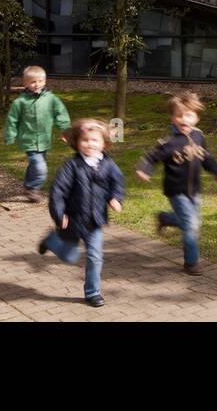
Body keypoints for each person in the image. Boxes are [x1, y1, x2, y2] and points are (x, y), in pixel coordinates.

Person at [135, 93, 217, 275]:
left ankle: (166, 218)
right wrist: (144, 169)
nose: (184, 119)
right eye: (179, 115)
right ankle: (191, 263)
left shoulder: (199, 137)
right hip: (176, 191)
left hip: (195, 191)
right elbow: (151, 157)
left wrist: (215, 169)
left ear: (196, 118)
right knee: (191, 225)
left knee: (194, 222)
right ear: (172, 118)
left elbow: (205, 156)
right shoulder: (169, 143)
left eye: (189, 115)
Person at [38, 119, 124, 307]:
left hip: (95, 221)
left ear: (104, 143)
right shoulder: (71, 166)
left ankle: (92, 292)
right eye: (85, 140)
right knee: (70, 257)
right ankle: (51, 240)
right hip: (72, 221)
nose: (90, 144)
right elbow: (57, 192)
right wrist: (59, 215)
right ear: (77, 142)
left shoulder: (108, 164)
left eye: (95, 140)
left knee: (95, 256)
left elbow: (117, 182)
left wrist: (115, 198)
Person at [3, 65, 70, 202]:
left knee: (35, 164)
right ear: (25, 83)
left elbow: (61, 114)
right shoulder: (20, 102)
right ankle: (34, 188)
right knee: (40, 167)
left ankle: (28, 186)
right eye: (33, 82)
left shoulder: (51, 99)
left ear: (44, 81)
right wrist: (10, 134)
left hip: (44, 140)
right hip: (28, 141)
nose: (36, 84)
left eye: (40, 81)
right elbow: (12, 119)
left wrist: (65, 130)